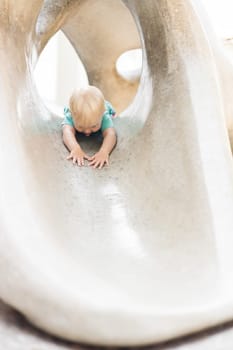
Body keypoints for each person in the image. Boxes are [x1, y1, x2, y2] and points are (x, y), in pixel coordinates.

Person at [62, 86, 117, 169]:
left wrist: (104, 152)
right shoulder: (72, 114)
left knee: (113, 116)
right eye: (80, 127)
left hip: (106, 108)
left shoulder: (103, 115)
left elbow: (111, 134)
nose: (87, 132)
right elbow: (67, 132)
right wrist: (75, 148)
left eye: (94, 126)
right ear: (72, 116)